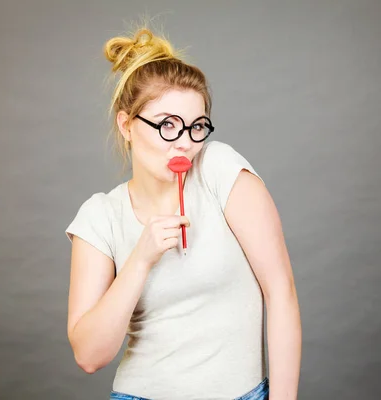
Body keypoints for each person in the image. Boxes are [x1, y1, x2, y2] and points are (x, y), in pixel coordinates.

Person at [65, 25, 302, 400]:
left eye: (196, 127)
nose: (185, 143)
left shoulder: (219, 170)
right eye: (167, 125)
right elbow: (90, 355)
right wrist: (140, 260)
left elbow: (281, 293)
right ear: (126, 125)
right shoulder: (100, 216)